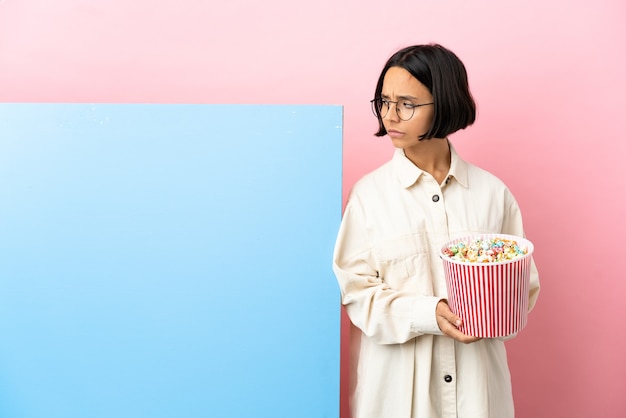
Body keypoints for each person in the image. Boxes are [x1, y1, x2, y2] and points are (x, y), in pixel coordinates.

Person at [332, 44, 540, 418]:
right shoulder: (368, 197)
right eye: (384, 101)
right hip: (396, 399)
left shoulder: (493, 195)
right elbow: (356, 296)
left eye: (407, 104)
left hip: (478, 397)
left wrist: (494, 311)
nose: (390, 115)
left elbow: (522, 288)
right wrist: (429, 314)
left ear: (443, 103)